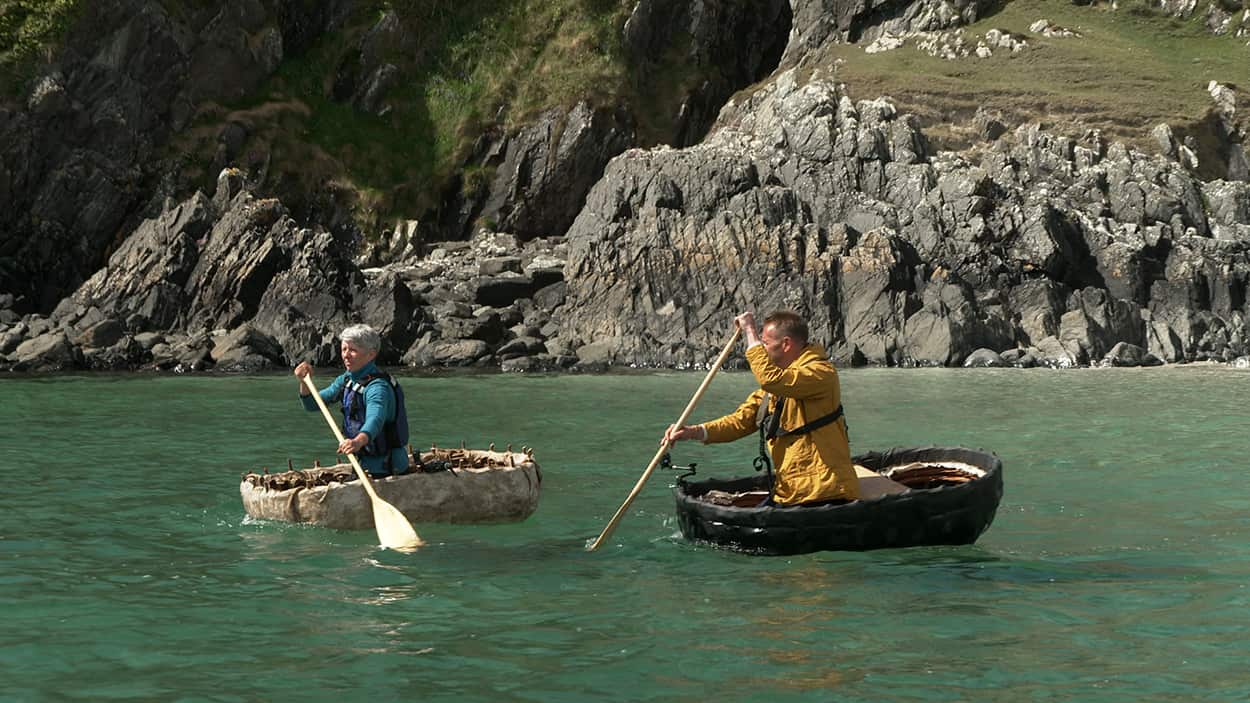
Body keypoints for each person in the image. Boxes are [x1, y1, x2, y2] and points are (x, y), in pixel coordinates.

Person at [664, 310, 860, 505]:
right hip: (792, 490)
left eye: (765, 343)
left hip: (825, 490)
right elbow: (740, 422)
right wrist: (692, 432)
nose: (763, 348)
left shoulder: (820, 373)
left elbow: (770, 379)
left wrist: (750, 330)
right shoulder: (777, 386)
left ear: (786, 344)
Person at [294, 324, 410, 478]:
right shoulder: (347, 379)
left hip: (387, 468)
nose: (346, 355)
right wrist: (304, 382)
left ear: (371, 355)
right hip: (363, 464)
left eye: (353, 350)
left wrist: (357, 442)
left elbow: (375, 420)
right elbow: (312, 404)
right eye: (344, 349)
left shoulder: (377, 388)